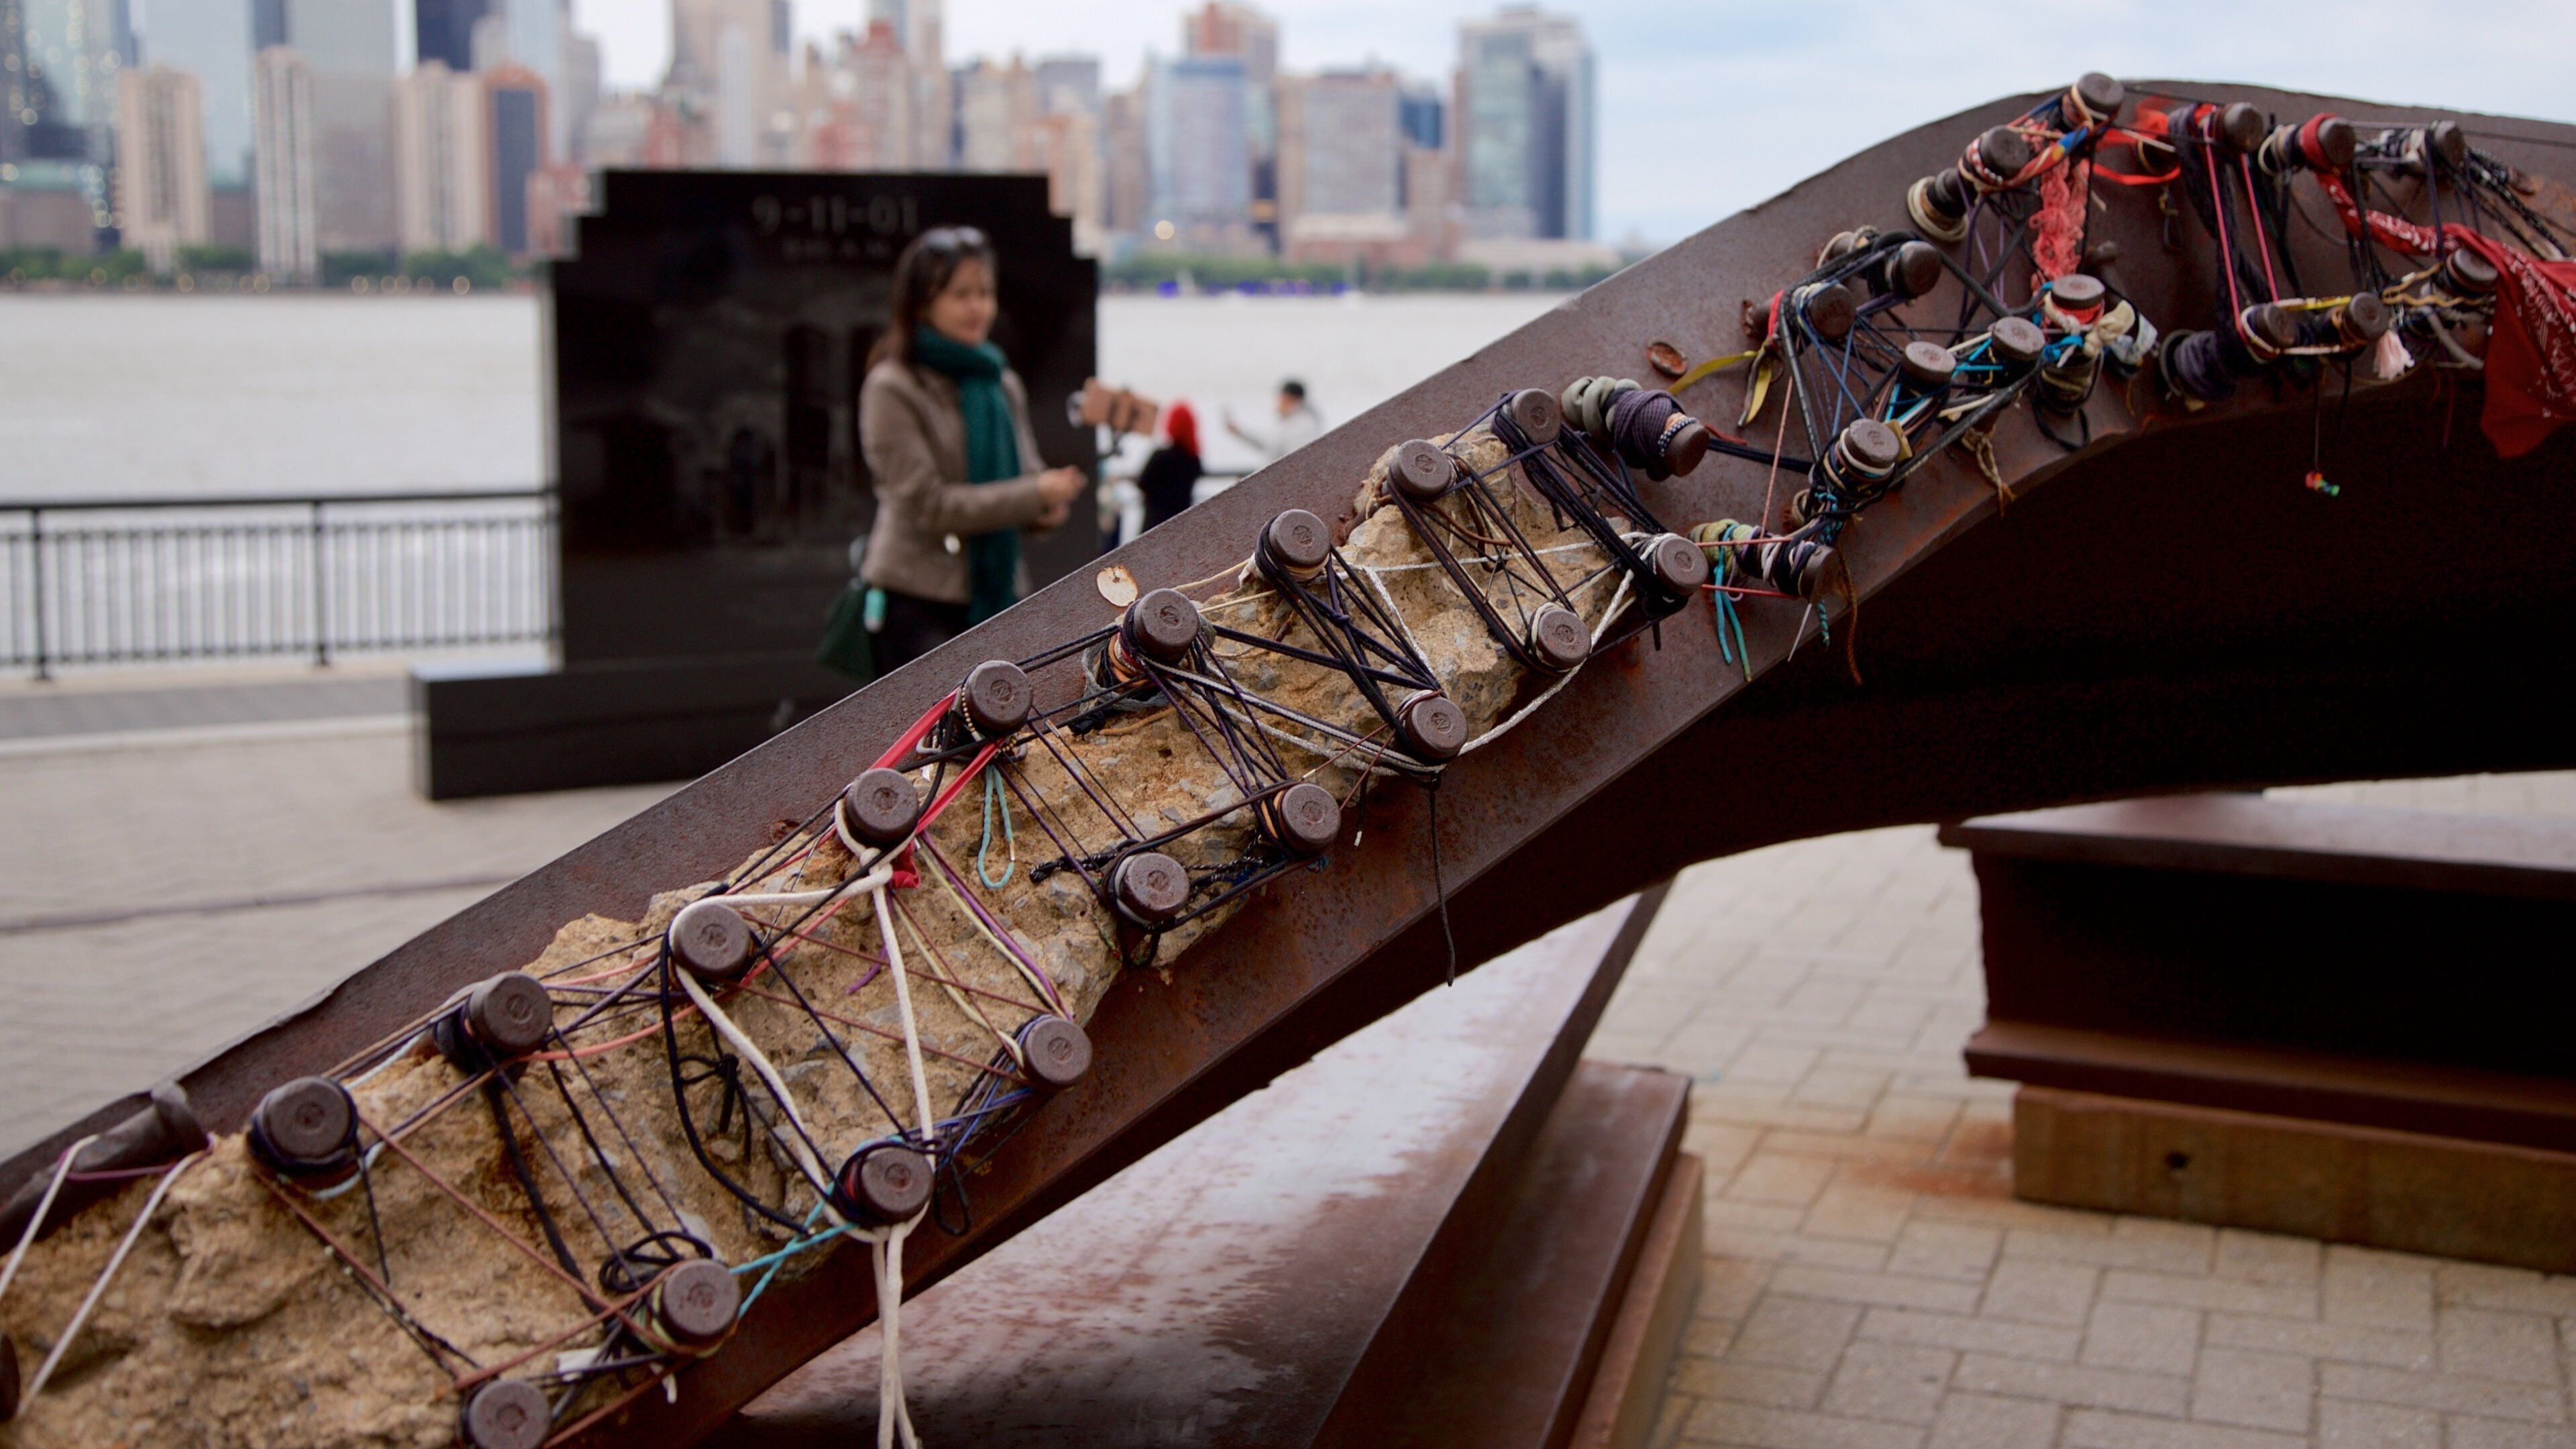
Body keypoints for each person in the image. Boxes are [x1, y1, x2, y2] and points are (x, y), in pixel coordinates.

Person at [857, 226, 1087, 675]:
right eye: (961, 294)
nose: (978, 307)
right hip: (919, 602)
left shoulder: (1001, 382)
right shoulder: (893, 386)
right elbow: (927, 504)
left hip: (1001, 595)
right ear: (923, 301)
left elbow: (1027, 479)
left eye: (986, 292)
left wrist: (1049, 506)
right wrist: (1033, 495)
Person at [1134, 400, 1203, 533]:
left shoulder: (1160, 456)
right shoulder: (1193, 461)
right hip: (1180, 527)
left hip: (1154, 525)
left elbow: (1142, 483)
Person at [1225, 378, 1324, 466]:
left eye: (1283, 399)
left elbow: (1298, 459)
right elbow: (1267, 444)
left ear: (1293, 400)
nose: (1279, 403)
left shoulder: (1304, 424)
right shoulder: (1286, 421)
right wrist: (1240, 432)